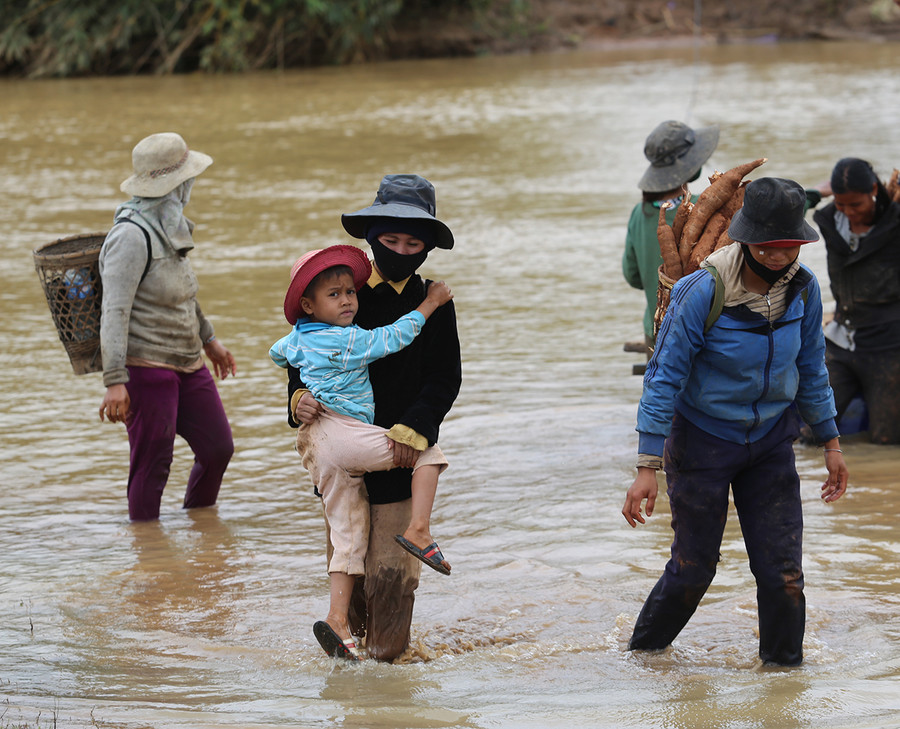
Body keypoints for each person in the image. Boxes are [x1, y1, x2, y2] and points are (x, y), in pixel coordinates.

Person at [622, 177, 849, 666]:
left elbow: (811, 368)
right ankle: (640, 661)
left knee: (784, 576)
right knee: (693, 569)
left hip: (770, 442)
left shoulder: (804, 291)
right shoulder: (701, 291)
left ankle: (784, 683)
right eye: (765, 246)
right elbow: (662, 380)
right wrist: (647, 464)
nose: (775, 255)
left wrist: (831, 440)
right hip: (702, 441)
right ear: (745, 238)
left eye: (786, 246)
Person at [287, 174, 461, 662]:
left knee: (392, 583)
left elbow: (444, 380)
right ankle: (353, 675)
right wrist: (296, 399)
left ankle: (388, 684)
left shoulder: (436, 303)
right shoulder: (342, 293)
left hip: (400, 458)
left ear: (427, 247)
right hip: (342, 458)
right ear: (370, 239)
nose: (402, 249)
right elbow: (303, 360)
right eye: (390, 240)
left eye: (413, 242)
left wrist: (417, 426)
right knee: (349, 570)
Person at [98, 132, 236, 522]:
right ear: (177, 183)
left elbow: (184, 294)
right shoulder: (131, 235)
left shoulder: (171, 223)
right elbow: (114, 311)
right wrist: (114, 380)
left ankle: (201, 529)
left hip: (188, 360)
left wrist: (210, 340)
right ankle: (149, 553)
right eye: (188, 179)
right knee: (152, 464)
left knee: (217, 448)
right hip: (147, 366)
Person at [811, 157, 900, 444]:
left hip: (888, 346)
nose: (849, 213)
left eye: (856, 205)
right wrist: (815, 193)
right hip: (841, 341)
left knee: (886, 440)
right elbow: (780, 206)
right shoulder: (827, 221)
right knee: (813, 433)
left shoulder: (895, 222)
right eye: (841, 204)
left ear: (874, 189)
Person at [622, 120, 720, 361]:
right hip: (702, 331)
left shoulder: (639, 212)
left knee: (660, 395)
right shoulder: (706, 207)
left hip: (656, 330)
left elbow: (632, 276)